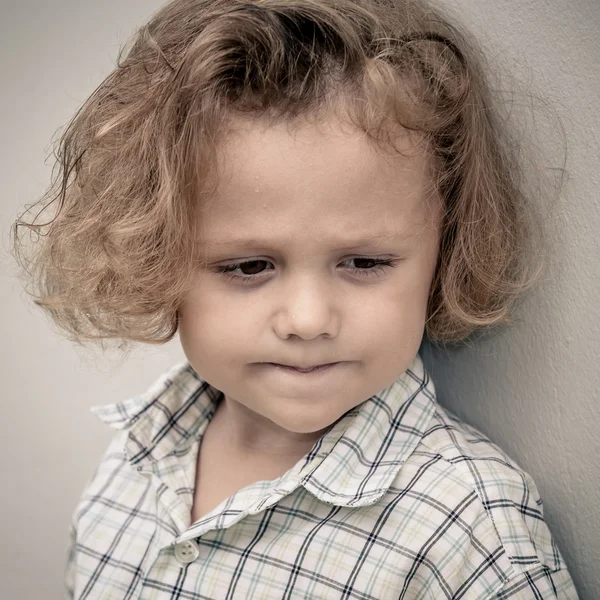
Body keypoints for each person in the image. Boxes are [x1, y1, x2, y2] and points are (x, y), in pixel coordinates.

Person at [10, 0, 578, 598]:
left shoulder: (470, 529)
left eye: (364, 262)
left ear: (448, 247)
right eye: (249, 266)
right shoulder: (135, 456)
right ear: (157, 254)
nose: (308, 320)